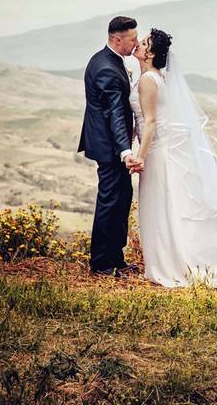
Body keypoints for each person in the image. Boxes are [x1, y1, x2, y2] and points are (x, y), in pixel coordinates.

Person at [129, 28, 217, 290]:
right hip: (164, 149)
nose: (138, 44)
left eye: (144, 42)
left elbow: (149, 123)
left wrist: (139, 157)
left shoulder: (149, 80)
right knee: (171, 206)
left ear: (150, 53)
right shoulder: (158, 77)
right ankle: (174, 261)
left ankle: (176, 264)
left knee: (164, 206)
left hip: (159, 152)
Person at [78, 16, 144, 277]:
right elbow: (115, 113)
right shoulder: (106, 67)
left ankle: (115, 258)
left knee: (121, 198)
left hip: (109, 145)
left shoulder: (107, 60)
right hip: (110, 148)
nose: (136, 43)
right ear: (117, 39)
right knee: (110, 202)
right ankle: (102, 264)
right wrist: (125, 151)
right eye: (132, 39)